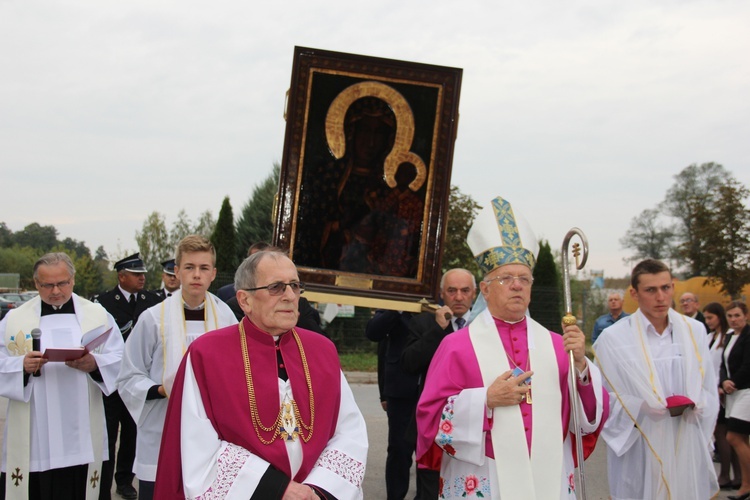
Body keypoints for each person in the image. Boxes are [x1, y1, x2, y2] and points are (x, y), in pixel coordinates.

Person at [416, 196, 608, 499]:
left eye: (524, 279)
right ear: (485, 288)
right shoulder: (456, 346)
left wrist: (582, 367)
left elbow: (588, 416)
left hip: (550, 475)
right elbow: (429, 419)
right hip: (483, 475)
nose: (517, 285)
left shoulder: (560, 345)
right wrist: (485, 401)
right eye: (506, 278)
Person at [154, 250, 368, 499]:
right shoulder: (206, 354)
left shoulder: (322, 350)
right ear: (245, 301)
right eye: (276, 287)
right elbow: (195, 444)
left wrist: (316, 490)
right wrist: (278, 489)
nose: (290, 296)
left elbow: (349, 430)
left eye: (295, 286)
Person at [116, 236, 237, 500]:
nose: (197, 275)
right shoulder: (152, 319)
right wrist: (160, 388)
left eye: (204, 268)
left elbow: (237, 372)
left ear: (214, 273)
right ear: (177, 271)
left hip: (212, 436)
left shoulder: (226, 317)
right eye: (189, 267)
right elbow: (128, 376)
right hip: (162, 431)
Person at [0, 252, 124, 500]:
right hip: (35, 430)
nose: (55, 291)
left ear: (73, 280)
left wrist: (94, 364)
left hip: (83, 429)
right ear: (36, 284)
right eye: (47, 285)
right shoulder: (14, 320)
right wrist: (21, 366)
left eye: (62, 283)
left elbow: (120, 359)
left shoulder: (97, 316)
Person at [594, 259, 719, 499]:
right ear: (634, 293)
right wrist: (639, 406)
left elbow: (708, 387)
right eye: (651, 290)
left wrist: (698, 404)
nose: (661, 297)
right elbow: (603, 398)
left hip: (685, 438)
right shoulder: (614, 339)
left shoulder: (694, 331)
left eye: (666, 288)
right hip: (641, 443)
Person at [400, 268, 476, 498]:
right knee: (430, 489)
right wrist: (436, 330)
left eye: (465, 291)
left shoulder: (485, 325)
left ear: (475, 293)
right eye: (452, 291)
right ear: (442, 293)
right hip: (433, 423)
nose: (459, 297)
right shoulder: (425, 323)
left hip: (474, 420)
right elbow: (408, 363)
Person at [93, 253, 160, 500]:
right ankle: (103, 483)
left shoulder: (153, 300)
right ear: (121, 276)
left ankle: (124, 481)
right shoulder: (102, 302)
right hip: (111, 381)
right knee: (108, 436)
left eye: (143, 274)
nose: (142, 278)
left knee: (132, 433)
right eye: (136, 274)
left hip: (138, 378)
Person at [365, 310, 419, 499]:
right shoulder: (394, 306)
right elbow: (375, 335)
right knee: (399, 450)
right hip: (400, 390)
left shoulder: (436, 301)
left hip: (432, 386)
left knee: (429, 452)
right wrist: (383, 393)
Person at [705, 302, 741, 489]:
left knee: (724, 434)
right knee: (724, 434)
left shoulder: (726, 338)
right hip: (712, 390)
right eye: (706, 318)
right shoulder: (711, 337)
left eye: (710, 317)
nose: (708, 321)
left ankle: (727, 475)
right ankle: (734, 476)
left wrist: (721, 385)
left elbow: (725, 365)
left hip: (722, 390)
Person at [721, 301, 750, 500]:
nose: (733, 319)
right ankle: (746, 486)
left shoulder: (749, 336)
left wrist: (734, 382)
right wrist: (724, 381)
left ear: (746, 315)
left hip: (746, 391)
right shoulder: (729, 336)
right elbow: (722, 363)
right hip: (732, 392)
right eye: (730, 316)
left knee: (733, 437)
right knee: (742, 439)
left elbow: (749, 364)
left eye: (737, 315)